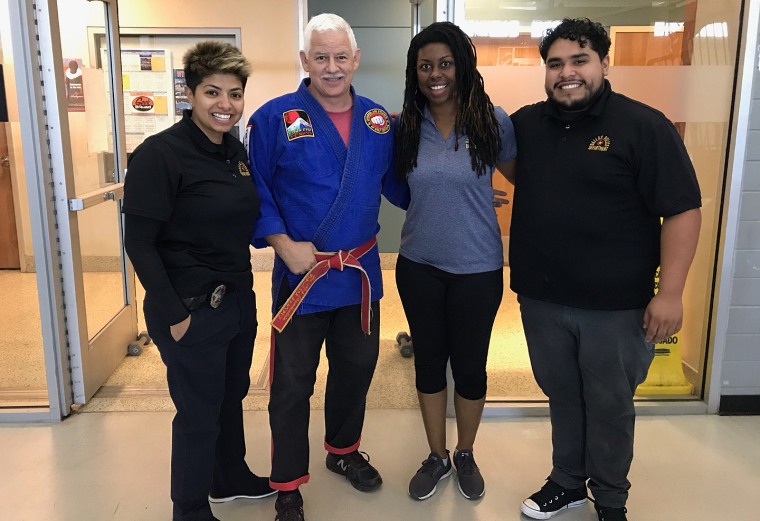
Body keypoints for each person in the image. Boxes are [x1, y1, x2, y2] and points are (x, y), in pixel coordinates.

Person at [507, 18, 702, 521]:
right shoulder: (527, 124)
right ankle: (567, 481)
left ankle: (611, 499)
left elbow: (682, 209)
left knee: (610, 405)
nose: (566, 73)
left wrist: (672, 293)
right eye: (555, 64)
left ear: (604, 64)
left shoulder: (643, 126)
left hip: (616, 307)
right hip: (543, 298)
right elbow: (508, 166)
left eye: (579, 61)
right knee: (563, 394)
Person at [245, 13, 409, 521]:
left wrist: (461, 189)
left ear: (356, 60)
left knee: (355, 373)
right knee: (292, 383)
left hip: (358, 276)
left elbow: (402, 184)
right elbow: (256, 190)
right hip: (303, 275)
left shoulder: (379, 121)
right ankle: (288, 481)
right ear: (305, 61)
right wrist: (281, 245)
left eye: (341, 57)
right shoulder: (275, 118)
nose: (332, 67)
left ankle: (342, 452)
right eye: (322, 57)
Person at [123, 41, 274, 521]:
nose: (224, 104)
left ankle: (228, 476)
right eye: (212, 92)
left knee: (231, 396)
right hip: (189, 305)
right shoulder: (160, 154)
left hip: (236, 299)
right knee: (198, 411)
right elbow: (140, 243)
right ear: (190, 93)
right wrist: (175, 316)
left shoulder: (233, 152)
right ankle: (189, 507)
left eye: (234, 93)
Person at [393, 21, 516, 502]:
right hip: (419, 265)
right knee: (428, 362)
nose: (435, 74)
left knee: (469, 368)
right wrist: (445, 200)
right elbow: (395, 186)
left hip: (478, 269)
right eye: (426, 66)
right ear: (415, 73)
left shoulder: (492, 122)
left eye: (445, 63)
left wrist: (486, 198)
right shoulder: (406, 125)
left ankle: (465, 452)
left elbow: (530, 179)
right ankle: (436, 455)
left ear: (462, 66)